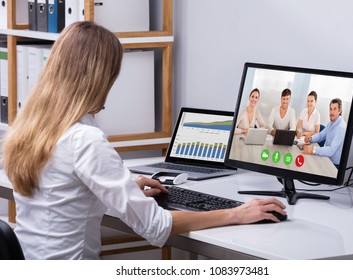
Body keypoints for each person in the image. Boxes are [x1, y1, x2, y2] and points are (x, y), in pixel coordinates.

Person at [1, 22, 286, 260]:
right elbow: (155, 227)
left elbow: (63, 195)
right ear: (103, 78)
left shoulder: (31, 126)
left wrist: (127, 188)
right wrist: (237, 213)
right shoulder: (84, 139)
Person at [303, 98, 346, 166]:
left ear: (340, 110)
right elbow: (321, 135)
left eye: (335, 109)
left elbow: (331, 150)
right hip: (326, 158)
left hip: (333, 165)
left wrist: (313, 150)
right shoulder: (330, 123)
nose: (331, 112)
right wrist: (311, 138)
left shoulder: (341, 128)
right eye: (330, 109)